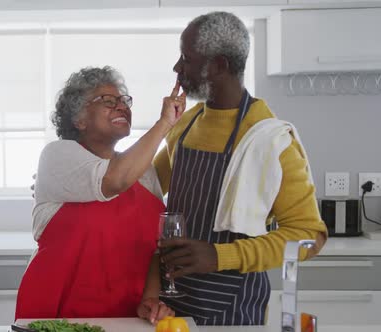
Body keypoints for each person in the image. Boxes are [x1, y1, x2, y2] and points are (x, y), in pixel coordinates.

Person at [136, 12, 328, 326]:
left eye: (186, 58)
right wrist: (79, 185)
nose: (177, 68)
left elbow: (309, 236)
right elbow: (145, 188)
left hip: (233, 307)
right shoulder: (185, 123)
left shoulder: (270, 139)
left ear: (219, 65)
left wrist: (219, 256)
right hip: (169, 303)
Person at [15, 66, 185, 319]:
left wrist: (149, 299)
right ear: (79, 119)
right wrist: (164, 124)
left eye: (124, 101)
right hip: (54, 315)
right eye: (107, 101)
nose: (121, 107)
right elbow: (113, 180)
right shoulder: (57, 156)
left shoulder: (143, 169)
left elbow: (153, 251)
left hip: (124, 318)